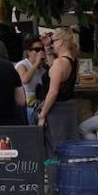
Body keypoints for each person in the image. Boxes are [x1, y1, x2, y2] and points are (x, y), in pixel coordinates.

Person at [38, 28, 82, 174]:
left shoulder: (59, 64)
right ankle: (70, 181)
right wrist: (47, 48)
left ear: (61, 42)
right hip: (69, 108)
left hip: (56, 111)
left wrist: (42, 114)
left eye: (54, 41)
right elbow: (54, 71)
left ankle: (55, 186)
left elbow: (53, 91)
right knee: (69, 150)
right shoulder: (74, 61)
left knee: (53, 152)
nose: (52, 44)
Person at [15, 34, 47, 121]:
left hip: (40, 105)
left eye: (42, 49)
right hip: (27, 106)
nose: (40, 52)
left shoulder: (43, 68)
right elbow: (25, 80)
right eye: (37, 50)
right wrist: (36, 63)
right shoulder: (22, 65)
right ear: (29, 52)